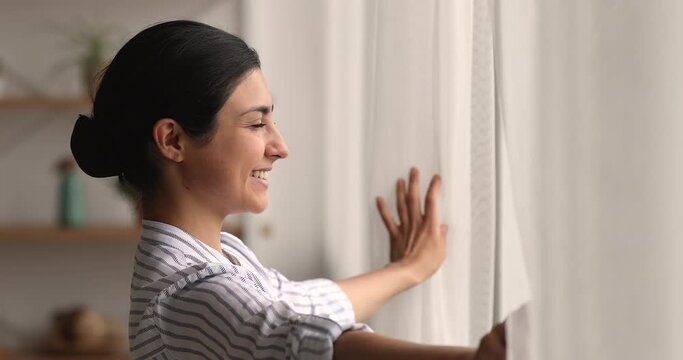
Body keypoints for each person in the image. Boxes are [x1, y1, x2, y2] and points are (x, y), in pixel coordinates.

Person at [70, 20, 506, 360]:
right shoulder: (189, 295)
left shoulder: (223, 254)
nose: (280, 147)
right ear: (173, 141)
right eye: (257, 123)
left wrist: (408, 269)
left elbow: (304, 304)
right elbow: (298, 342)